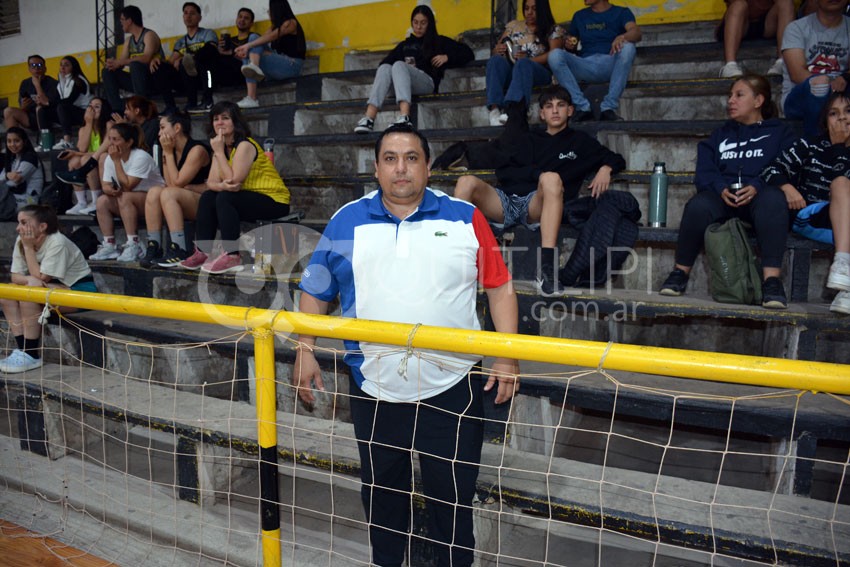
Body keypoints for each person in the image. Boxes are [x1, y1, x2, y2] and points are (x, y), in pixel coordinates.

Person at [294, 123, 520, 567]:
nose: (402, 169)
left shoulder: (464, 217)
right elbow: (316, 289)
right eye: (391, 159)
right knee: (383, 500)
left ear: (429, 167)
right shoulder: (347, 220)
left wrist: (507, 354)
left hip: (452, 386)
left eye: (412, 158)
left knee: (452, 501)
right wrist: (305, 348)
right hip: (374, 388)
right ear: (376, 168)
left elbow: (499, 287)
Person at [454, 85, 626, 294]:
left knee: (552, 179)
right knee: (466, 182)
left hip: (536, 206)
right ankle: (457, 262)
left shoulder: (581, 143)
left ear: (570, 111)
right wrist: (536, 174)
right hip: (505, 201)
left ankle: (546, 270)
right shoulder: (527, 139)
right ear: (542, 113)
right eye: (549, 106)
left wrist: (607, 168)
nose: (555, 111)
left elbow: (616, 158)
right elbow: (504, 172)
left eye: (560, 105)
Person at [659, 74, 797, 308]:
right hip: (724, 198)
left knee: (774, 199)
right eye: (730, 95)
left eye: (739, 95)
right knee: (698, 205)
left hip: (759, 199)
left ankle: (772, 282)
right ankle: (679, 273)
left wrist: (758, 185)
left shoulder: (780, 133)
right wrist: (720, 188)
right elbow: (705, 171)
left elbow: (786, 166)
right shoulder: (720, 134)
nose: (730, 101)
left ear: (758, 100)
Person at [762, 92, 850, 314]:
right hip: (810, 214)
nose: (842, 119)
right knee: (840, 185)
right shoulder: (810, 145)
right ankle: (842, 265)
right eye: (834, 113)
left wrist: (840, 148)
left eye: (848, 111)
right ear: (825, 120)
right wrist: (787, 187)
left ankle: (845, 293)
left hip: (843, 220)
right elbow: (771, 169)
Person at [178, 101, 290, 274]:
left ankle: (232, 255)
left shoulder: (244, 145)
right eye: (215, 119)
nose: (219, 123)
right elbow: (211, 183)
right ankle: (203, 251)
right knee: (209, 196)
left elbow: (233, 180)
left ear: (236, 122)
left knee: (224, 197)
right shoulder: (220, 148)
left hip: (274, 201)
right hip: (246, 198)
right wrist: (221, 181)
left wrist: (220, 156)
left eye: (225, 118)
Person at [0, 205, 96, 374]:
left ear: (42, 226)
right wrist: (29, 278)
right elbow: (15, 276)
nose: (18, 228)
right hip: (50, 288)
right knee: (8, 293)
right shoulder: (21, 239)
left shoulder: (57, 241)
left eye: (24, 222)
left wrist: (29, 249)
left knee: (29, 292)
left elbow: (42, 278)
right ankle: (22, 349)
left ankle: (31, 353)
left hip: (79, 292)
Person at [352, 5, 474, 133]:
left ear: (430, 23)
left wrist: (447, 57)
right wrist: (403, 69)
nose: (418, 27)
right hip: (402, 85)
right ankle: (369, 118)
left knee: (399, 65)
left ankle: (404, 117)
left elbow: (468, 53)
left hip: (426, 83)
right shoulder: (405, 45)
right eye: (415, 23)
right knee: (385, 67)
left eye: (423, 23)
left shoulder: (438, 41)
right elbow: (385, 64)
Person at [547, 0, 642, 122]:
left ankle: (608, 107)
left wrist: (623, 37)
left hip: (611, 62)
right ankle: (582, 107)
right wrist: (570, 44)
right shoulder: (579, 16)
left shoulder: (621, 12)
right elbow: (572, 41)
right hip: (585, 64)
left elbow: (636, 33)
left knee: (629, 47)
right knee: (554, 55)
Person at [140, 112, 211, 268]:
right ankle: (154, 245)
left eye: (162, 127)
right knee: (154, 191)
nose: (159, 133)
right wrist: (168, 154)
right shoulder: (170, 151)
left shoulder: (197, 150)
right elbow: (170, 183)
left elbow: (177, 184)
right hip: (184, 198)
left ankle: (180, 249)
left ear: (177, 127)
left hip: (207, 203)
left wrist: (168, 153)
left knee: (168, 193)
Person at [89, 123, 165, 262]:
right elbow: (105, 185)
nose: (111, 143)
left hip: (153, 202)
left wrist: (117, 161)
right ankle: (109, 245)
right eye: (110, 139)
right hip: (128, 201)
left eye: (116, 139)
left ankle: (134, 243)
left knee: (125, 196)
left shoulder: (141, 157)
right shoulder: (109, 158)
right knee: (102, 201)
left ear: (129, 142)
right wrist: (110, 190)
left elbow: (128, 185)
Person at [485, 0, 566, 126]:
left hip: (539, 72)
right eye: (526, 8)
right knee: (495, 61)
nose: (529, 12)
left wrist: (528, 60)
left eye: (534, 9)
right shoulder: (513, 26)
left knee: (523, 64)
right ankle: (494, 110)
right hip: (514, 69)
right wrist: (498, 50)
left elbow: (554, 53)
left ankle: (513, 109)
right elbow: (498, 47)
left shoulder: (553, 29)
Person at [781, 0, 850, 137]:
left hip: (840, 93)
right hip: (799, 97)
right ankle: (816, 147)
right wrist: (831, 84)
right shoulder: (796, 28)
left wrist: (844, 78)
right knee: (819, 85)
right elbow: (797, 74)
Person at [234, 0, 306, 109]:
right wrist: (246, 50)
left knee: (252, 43)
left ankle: (252, 96)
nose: (268, 13)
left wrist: (247, 46)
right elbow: (260, 42)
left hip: (292, 66)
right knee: (252, 42)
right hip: (279, 65)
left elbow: (271, 37)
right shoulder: (273, 27)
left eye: (269, 10)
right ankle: (251, 93)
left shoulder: (290, 23)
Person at [101, 5, 166, 114]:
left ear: (129, 20)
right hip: (137, 81)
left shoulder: (149, 35)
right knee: (107, 72)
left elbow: (146, 58)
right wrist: (113, 63)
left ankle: (141, 105)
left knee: (136, 65)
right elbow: (121, 62)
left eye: (122, 19)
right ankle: (117, 107)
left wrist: (121, 62)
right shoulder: (128, 40)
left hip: (153, 80)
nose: (120, 23)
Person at [56, 97, 114, 215]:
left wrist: (78, 153)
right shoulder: (84, 129)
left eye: (97, 107)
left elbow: (105, 150)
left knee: (83, 158)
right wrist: (88, 123)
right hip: (89, 162)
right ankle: (81, 202)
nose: (92, 110)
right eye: (90, 106)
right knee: (74, 160)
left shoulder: (109, 125)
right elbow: (82, 148)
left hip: (106, 161)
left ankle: (95, 200)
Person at [161, 2, 219, 115]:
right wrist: (156, 60)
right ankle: (183, 104)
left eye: (192, 13)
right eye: (186, 13)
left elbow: (211, 49)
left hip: (208, 76)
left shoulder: (207, 33)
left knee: (206, 56)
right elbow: (171, 61)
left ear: (199, 17)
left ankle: (208, 101)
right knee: (163, 67)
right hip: (188, 79)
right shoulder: (180, 42)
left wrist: (193, 57)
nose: (188, 16)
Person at [716, 0, 794, 79]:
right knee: (738, 5)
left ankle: (782, 61)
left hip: (766, 22)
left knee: (786, 2)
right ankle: (730, 64)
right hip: (739, 23)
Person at [3, 55, 59, 139]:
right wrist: (24, 107)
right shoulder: (25, 83)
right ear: (29, 69)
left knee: (39, 109)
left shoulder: (52, 83)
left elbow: (46, 103)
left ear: (45, 68)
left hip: (48, 116)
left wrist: (37, 85)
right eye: (33, 65)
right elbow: (22, 106)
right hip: (31, 117)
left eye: (39, 65)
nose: (36, 68)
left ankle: (44, 140)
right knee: (8, 111)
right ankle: (14, 142)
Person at [52, 55, 94, 150]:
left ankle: (68, 141)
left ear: (73, 67)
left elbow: (69, 101)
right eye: (61, 65)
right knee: (43, 110)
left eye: (66, 65)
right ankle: (45, 141)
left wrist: (48, 103)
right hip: (71, 112)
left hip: (85, 113)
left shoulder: (79, 80)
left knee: (62, 107)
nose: (62, 67)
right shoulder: (61, 83)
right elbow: (57, 100)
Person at [216, 8, 262, 89]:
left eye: (246, 18)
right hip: (228, 75)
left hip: (244, 74)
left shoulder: (254, 38)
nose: (242, 20)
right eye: (240, 17)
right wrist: (220, 50)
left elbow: (256, 59)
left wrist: (232, 52)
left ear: (251, 23)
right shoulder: (229, 40)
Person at [2, 127, 45, 211]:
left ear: (24, 142)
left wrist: (6, 177)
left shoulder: (30, 158)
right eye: (9, 141)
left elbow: (15, 180)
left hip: (29, 201)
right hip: (14, 197)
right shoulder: (13, 158)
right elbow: (2, 177)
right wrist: (7, 175)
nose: (12, 144)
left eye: (16, 141)